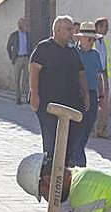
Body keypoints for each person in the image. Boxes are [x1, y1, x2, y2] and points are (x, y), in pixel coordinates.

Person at [28, 15, 88, 159]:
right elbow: (33, 70)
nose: (72, 33)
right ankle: (48, 175)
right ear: (57, 29)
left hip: (71, 103)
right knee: (51, 143)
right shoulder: (44, 47)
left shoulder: (72, 51)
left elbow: (81, 73)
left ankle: (63, 174)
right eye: (69, 29)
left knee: (70, 142)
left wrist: (86, 94)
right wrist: (34, 94)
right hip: (48, 104)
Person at [71, 22, 106, 167]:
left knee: (88, 126)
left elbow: (99, 76)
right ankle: (78, 159)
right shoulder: (73, 53)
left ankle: (77, 155)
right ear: (80, 38)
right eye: (88, 39)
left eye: (93, 39)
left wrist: (102, 96)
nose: (91, 42)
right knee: (77, 127)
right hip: (76, 94)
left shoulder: (95, 55)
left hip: (92, 94)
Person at [93, 18, 111, 139]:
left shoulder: (104, 42)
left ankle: (102, 129)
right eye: (105, 26)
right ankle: (92, 129)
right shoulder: (92, 41)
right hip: (94, 75)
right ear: (98, 27)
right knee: (94, 103)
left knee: (105, 104)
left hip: (104, 75)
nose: (107, 29)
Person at [6, 17, 32, 104]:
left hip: (26, 58)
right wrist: (12, 57)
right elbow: (8, 47)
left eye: (23, 23)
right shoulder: (14, 35)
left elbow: (31, 46)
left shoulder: (28, 35)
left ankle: (27, 98)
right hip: (17, 59)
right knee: (17, 79)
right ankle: (18, 98)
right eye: (19, 24)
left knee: (27, 80)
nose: (21, 25)